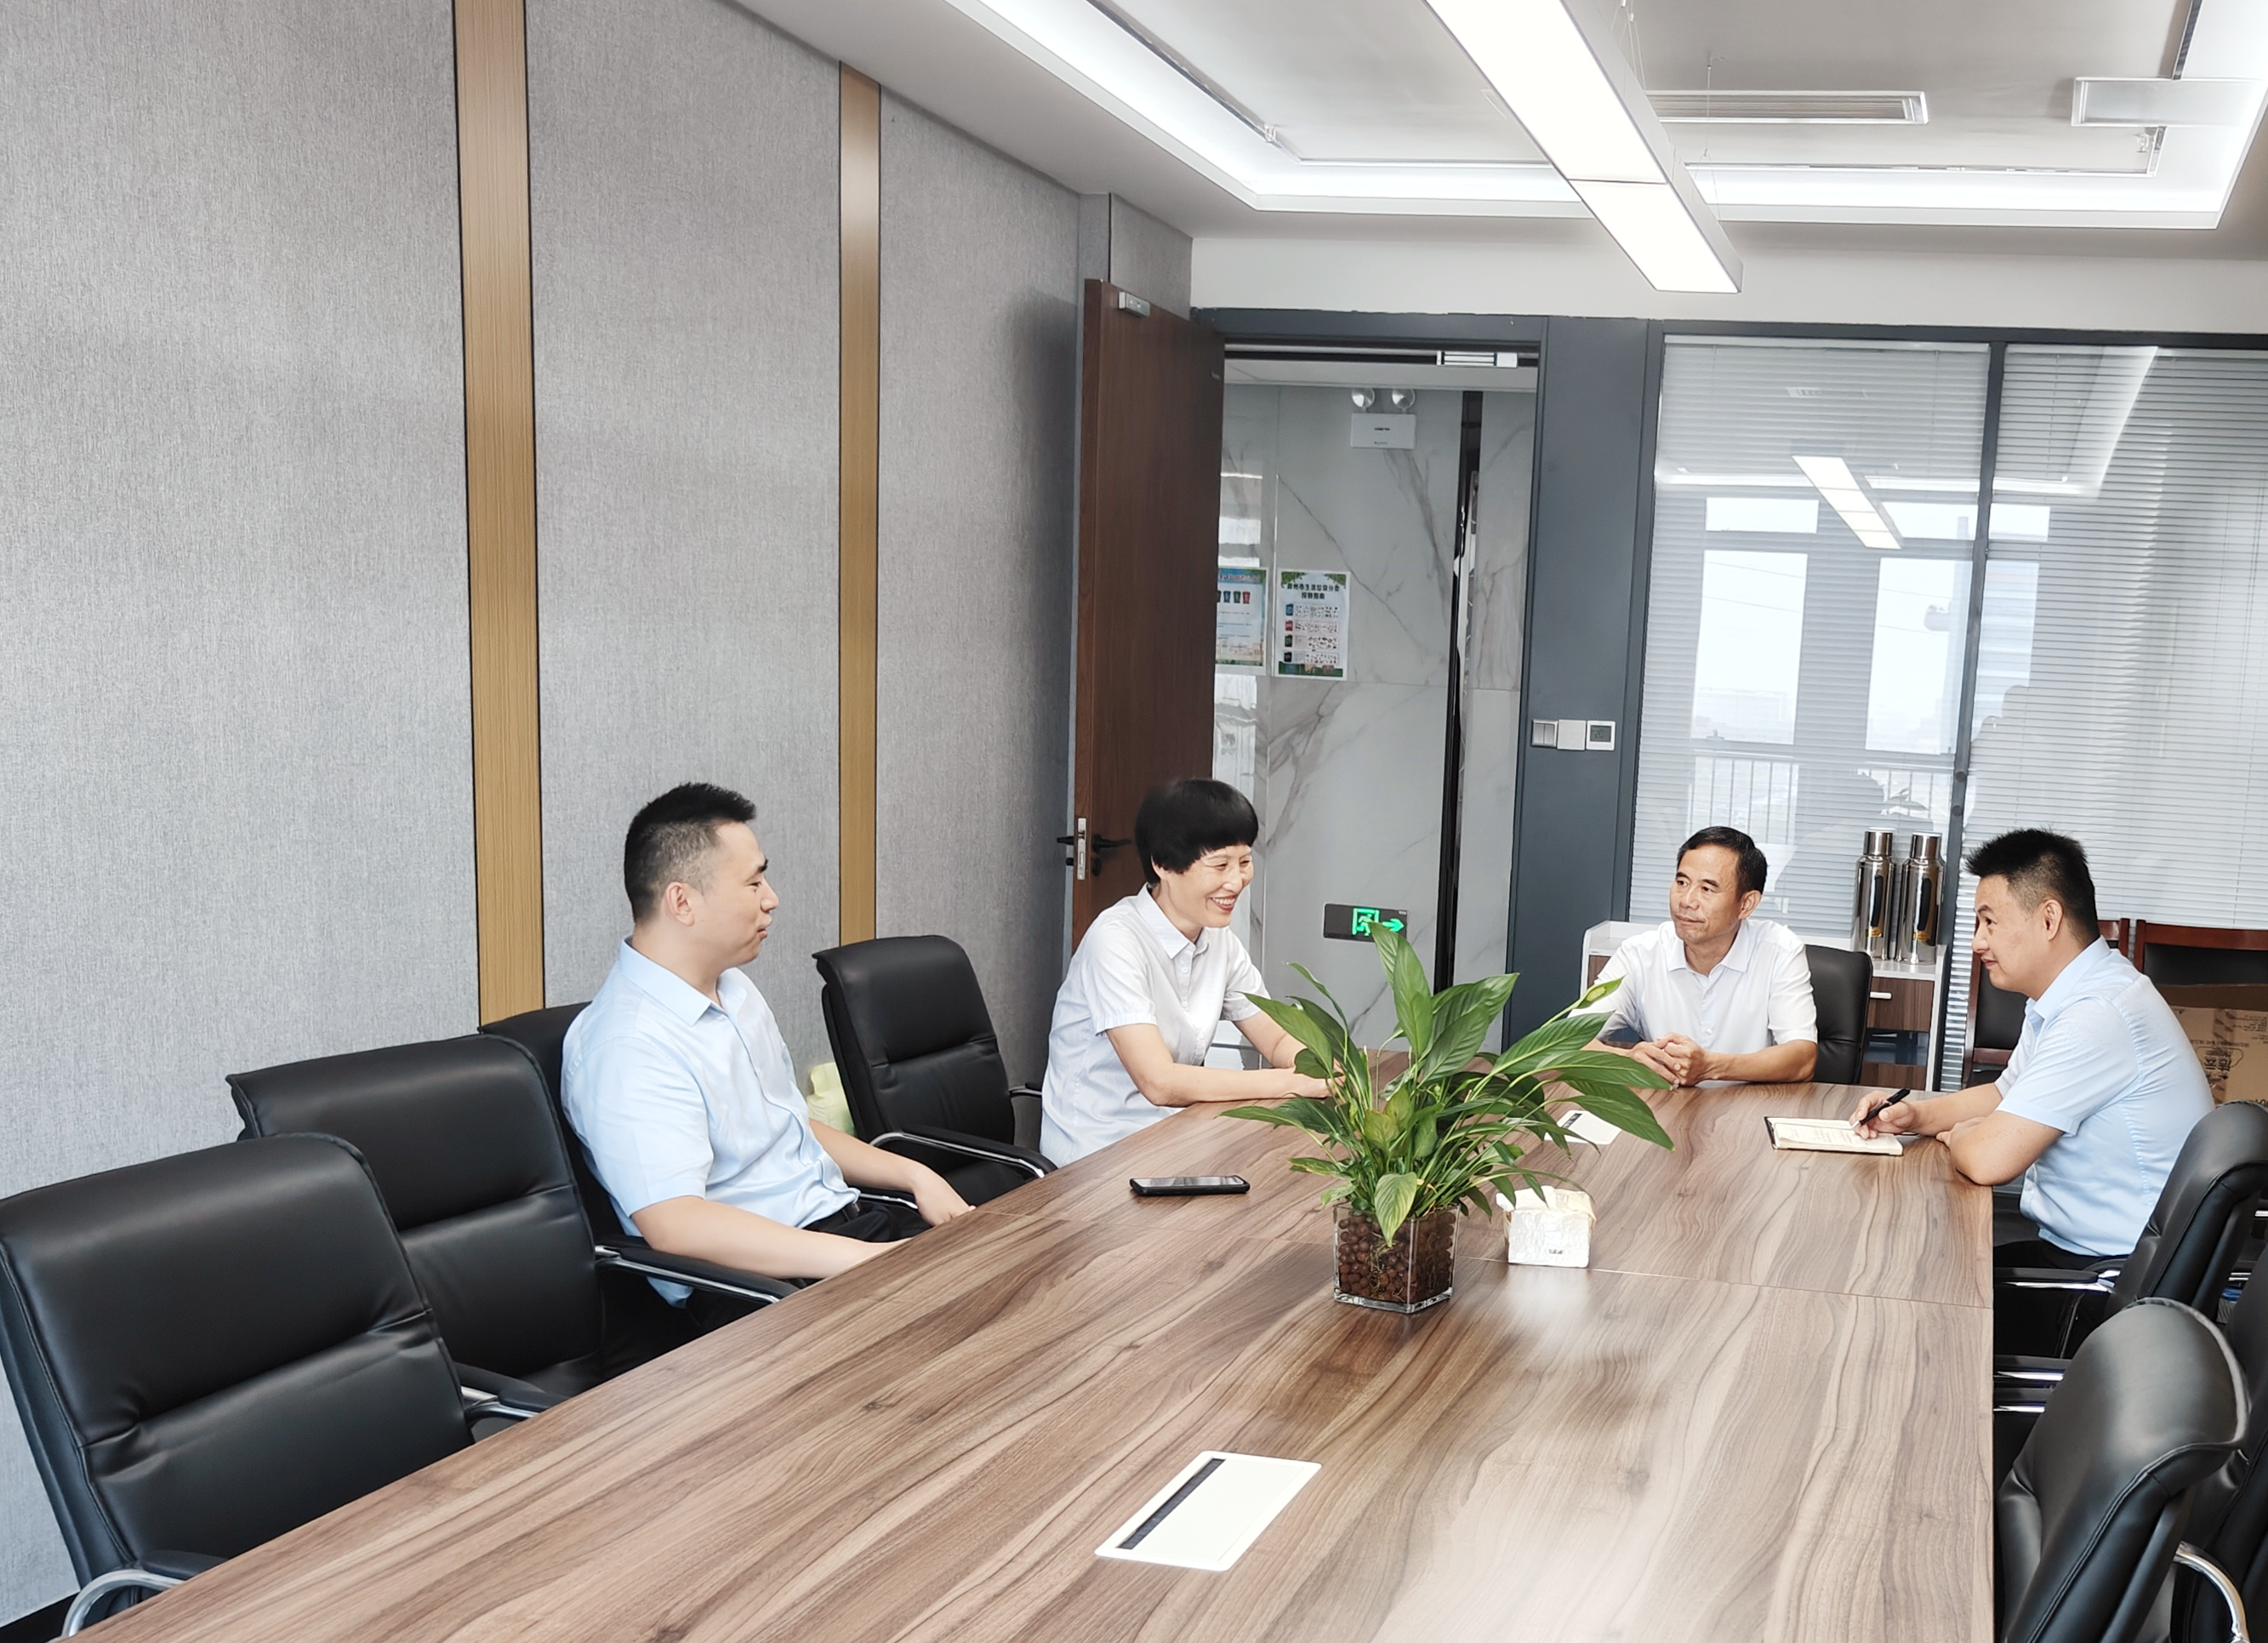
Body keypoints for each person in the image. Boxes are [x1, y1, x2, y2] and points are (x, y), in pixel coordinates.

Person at [563, 782, 971, 1328]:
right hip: (757, 1291)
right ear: (682, 902)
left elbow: (790, 1124)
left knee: (1007, 1279)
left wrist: (916, 1175)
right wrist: (866, 1263)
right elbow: (675, 1225)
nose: (771, 898)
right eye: (753, 882)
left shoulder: (734, 989)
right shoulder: (627, 1043)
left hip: (842, 1231)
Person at [1853, 828, 2209, 1267]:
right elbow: (2004, 1094)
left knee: (1914, 1268)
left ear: (2048, 919)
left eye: (1990, 922)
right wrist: (1913, 1115)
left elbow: (1989, 1160)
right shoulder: (2077, 993)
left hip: (2117, 1276)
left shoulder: (2097, 1014)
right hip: (2095, 1254)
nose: (1977, 941)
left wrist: (1961, 1135)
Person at [1040, 778, 1325, 1164]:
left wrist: (1317, 1067)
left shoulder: (1219, 940)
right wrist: (1289, 1082)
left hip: (1176, 1139)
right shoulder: (1115, 940)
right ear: (1163, 865)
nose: (1236, 881)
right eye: (1220, 865)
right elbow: (1159, 1082)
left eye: (1244, 862)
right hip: (1098, 1156)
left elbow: (1276, 1039)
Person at [1583, 825, 1819, 1087]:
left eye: (1707, 889)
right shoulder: (1639, 954)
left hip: (1750, 1107)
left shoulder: (1779, 951)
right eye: (1682, 883)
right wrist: (1628, 1059)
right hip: (1669, 1106)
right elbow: (1566, 1043)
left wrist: (1710, 1066)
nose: (1686, 900)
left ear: (1746, 904)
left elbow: (1803, 1058)